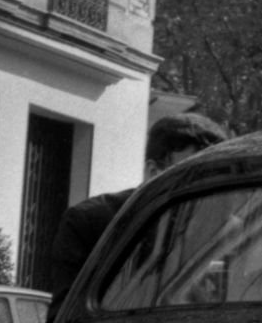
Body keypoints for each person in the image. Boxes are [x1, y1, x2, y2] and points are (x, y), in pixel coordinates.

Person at [42, 113, 231, 312]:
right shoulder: (91, 223)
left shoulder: (228, 227)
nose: (204, 188)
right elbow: (65, 321)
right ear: (153, 172)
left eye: (213, 176)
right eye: (191, 175)